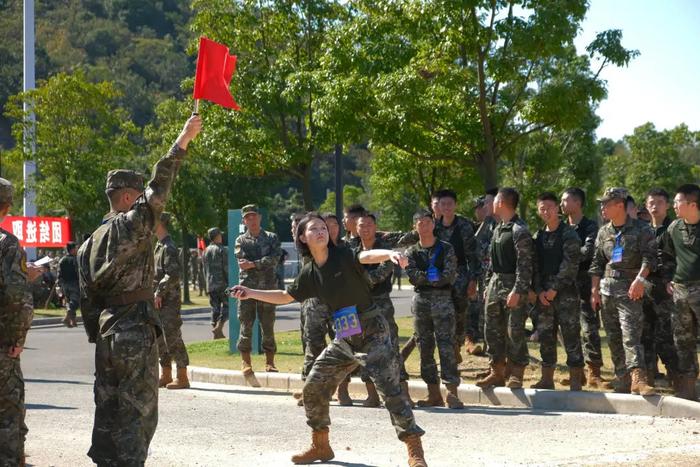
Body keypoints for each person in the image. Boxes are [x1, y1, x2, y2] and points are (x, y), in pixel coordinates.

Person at [229, 213, 427, 466]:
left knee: (390, 390)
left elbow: (365, 256)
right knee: (313, 386)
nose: (321, 231)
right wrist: (250, 293)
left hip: (371, 328)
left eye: (323, 228)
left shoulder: (342, 255)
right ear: (302, 237)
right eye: (314, 229)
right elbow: (284, 295)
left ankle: (414, 449)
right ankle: (320, 445)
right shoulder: (310, 272)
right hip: (345, 335)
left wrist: (388, 254)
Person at [77, 115, 202, 465]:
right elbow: (160, 185)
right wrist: (183, 139)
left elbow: (87, 300)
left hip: (106, 333)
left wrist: (98, 333)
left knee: (108, 408)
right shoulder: (131, 224)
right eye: (138, 197)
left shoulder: (88, 243)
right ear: (129, 195)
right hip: (134, 328)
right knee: (138, 413)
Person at [589, 187, 657, 396]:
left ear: (620, 205)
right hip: (607, 289)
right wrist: (594, 290)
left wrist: (639, 280)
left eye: (606, 204)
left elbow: (651, 258)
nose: (602, 208)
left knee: (630, 335)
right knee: (613, 336)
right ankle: (622, 378)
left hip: (630, 290)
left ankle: (639, 378)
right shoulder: (604, 232)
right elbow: (597, 262)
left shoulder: (642, 229)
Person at [476, 187, 534, 389]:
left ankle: (516, 372)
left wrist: (518, 290)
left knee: (514, 330)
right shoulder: (498, 227)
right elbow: (491, 261)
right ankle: (496, 371)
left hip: (512, 285)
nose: (489, 205)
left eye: (493, 201)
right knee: (492, 330)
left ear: (501, 202)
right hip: (495, 284)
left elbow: (525, 265)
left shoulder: (520, 230)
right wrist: (487, 284)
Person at [405, 209, 463, 409]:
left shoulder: (446, 248)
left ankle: (452, 393)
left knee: (447, 346)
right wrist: (431, 277)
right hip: (421, 302)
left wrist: (429, 278)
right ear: (415, 227)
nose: (424, 225)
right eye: (419, 223)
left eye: (427, 222)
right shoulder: (411, 252)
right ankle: (433, 393)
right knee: (425, 347)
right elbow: (411, 275)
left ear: (433, 224)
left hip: (443, 301)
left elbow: (448, 275)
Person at [356, 212, 412, 407]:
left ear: (376, 227)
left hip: (382, 304)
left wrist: (356, 276)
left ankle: (403, 393)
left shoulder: (386, 251)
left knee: (391, 346)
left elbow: (376, 277)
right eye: (362, 225)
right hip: (360, 305)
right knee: (362, 348)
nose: (365, 229)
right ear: (356, 228)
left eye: (369, 225)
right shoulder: (352, 249)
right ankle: (372, 394)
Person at [530, 192, 585, 390]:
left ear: (557, 209)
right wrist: (539, 290)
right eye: (542, 209)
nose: (546, 211)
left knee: (571, 335)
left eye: (549, 208)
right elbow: (534, 266)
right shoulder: (538, 236)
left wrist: (554, 288)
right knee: (546, 336)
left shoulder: (568, 233)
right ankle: (547, 378)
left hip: (565, 294)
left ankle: (576, 378)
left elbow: (570, 263)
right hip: (543, 296)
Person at [0, 178, 35, 467]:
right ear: (8, 207)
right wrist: (17, 339)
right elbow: (16, 296)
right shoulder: (8, 245)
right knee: (8, 417)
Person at [560, 187, 610, 388]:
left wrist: (564, 258)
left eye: (566, 200)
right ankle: (577, 370)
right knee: (568, 330)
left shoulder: (590, 227)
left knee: (589, 329)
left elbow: (588, 252)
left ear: (578, 203)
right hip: (564, 285)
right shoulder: (562, 227)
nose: (562, 204)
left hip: (584, 283)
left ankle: (594, 371)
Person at [660, 184, 700, 400]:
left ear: (692, 204)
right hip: (680, 293)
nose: (674, 205)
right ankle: (688, 389)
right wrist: (668, 279)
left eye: (678, 202)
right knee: (682, 341)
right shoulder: (674, 228)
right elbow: (663, 254)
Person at [234, 204, 282, 373]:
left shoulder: (271, 237)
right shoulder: (240, 240)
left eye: (254, 216)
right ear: (244, 221)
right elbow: (241, 261)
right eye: (248, 217)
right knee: (246, 325)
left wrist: (254, 263)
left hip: (268, 289)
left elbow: (275, 258)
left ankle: (270, 362)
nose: (251, 220)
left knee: (268, 325)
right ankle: (245, 362)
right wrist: (262, 262)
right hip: (247, 290)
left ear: (260, 218)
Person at [435, 189, 481, 361]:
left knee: (460, 314)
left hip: (460, 276)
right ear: (438, 206)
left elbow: (472, 256)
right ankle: (449, 350)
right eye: (443, 204)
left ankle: (457, 345)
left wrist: (473, 280)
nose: (446, 207)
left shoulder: (464, 226)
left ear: (455, 205)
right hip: (439, 278)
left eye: (450, 204)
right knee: (442, 315)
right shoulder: (433, 226)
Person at [641, 189, 678, 387]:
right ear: (646, 205)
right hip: (645, 287)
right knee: (645, 334)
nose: (655, 206)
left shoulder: (674, 229)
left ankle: (676, 376)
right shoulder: (643, 231)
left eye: (660, 202)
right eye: (651, 202)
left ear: (668, 205)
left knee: (666, 334)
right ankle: (648, 377)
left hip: (667, 289)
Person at [154, 212, 190, 390]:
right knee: (160, 338)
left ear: (160, 223)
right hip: (158, 301)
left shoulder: (169, 247)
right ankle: (165, 374)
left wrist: (159, 292)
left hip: (169, 301)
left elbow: (173, 274)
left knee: (173, 337)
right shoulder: (158, 246)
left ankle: (182, 376)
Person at [203, 227, 229, 339]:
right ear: (217, 236)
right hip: (222, 283)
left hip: (210, 283)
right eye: (220, 235)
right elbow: (226, 268)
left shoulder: (205, 250)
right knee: (228, 306)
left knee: (215, 308)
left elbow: (204, 269)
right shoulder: (222, 250)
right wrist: (230, 281)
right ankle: (219, 327)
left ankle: (216, 332)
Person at [58, 241, 80, 328]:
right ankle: (67, 318)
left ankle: (73, 321)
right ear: (73, 249)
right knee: (74, 302)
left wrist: (60, 285)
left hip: (64, 284)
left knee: (69, 301)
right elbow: (79, 272)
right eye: (76, 248)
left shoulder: (61, 260)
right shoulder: (75, 260)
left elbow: (59, 274)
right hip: (74, 283)